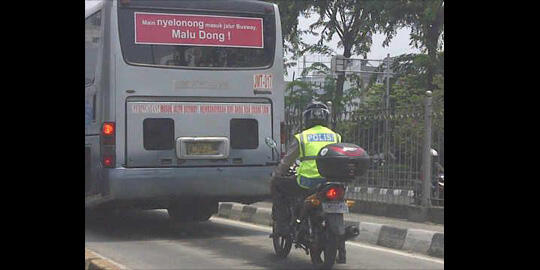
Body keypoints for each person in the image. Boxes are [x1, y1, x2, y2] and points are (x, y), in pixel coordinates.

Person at [270, 101, 347, 263]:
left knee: (277, 184)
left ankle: (282, 224)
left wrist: (277, 174)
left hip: (307, 182)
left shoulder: (302, 137)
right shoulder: (335, 136)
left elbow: (287, 162)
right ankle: (341, 249)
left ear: (306, 118)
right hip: (331, 181)